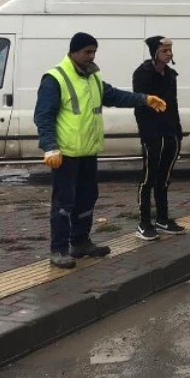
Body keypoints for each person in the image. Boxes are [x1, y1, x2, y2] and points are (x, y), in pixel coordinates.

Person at [34, 32, 166, 269]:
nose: (91, 56)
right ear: (74, 51)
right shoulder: (55, 78)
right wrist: (50, 147)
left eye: (93, 51)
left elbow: (114, 95)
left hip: (88, 151)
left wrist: (144, 99)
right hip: (66, 154)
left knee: (87, 198)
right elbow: (43, 116)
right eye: (87, 52)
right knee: (64, 202)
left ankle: (81, 242)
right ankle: (59, 249)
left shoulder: (92, 78)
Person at [132, 36, 185, 241]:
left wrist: (177, 131)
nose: (169, 54)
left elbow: (173, 104)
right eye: (164, 51)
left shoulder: (171, 75)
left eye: (170, 50)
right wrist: (147, 132)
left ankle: (163, 218)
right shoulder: (143, 74)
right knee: (149, 178)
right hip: (152, 133)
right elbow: (140, 105)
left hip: (170, 131)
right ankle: (144, 222)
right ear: (155, 52)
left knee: (164, 178)